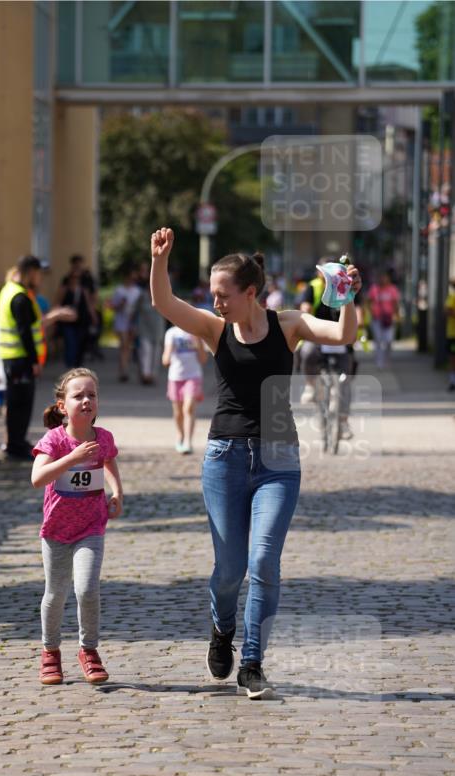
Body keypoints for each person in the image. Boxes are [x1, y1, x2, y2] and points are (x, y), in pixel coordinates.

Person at [150, 227, 361, 698]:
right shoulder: (215, 329)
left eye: (223, 294)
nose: (215, 302)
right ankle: (221, 627)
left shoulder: (289, 325)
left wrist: (346, 295)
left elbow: (344, 334)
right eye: (212, 294)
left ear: (250, 293)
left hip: (278, 460)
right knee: (229, 570)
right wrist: (159, 259)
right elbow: (165, 303)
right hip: (224, 458)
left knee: (263, 561)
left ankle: (252, 662)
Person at [31, 368, 123, 686]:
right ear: (62, 406)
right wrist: (72, 458)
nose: (86, 400)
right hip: (56, 530)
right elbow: (37, 478)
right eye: (78, 395)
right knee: (56, 593)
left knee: (86, 589)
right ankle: (50, 652)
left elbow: (109, 460)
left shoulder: (103, 438)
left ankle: (89, 650)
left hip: (91, 527)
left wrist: (117, 491)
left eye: (91, 395)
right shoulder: (54, 440)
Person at [298, 259, 354, 440]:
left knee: (345, 380)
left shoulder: (346, 287)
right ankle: (310, 386)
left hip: (340, 338)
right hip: (317, 335)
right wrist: (305, 313)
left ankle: (343, 421)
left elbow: (358, 310)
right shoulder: (312, 287)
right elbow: (305, 307)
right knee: (306, 352)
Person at [0, 255, 44, 461]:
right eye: (38, 273)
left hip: (12, 357)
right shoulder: (19, 297)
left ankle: (17, 441)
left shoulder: (8, 290)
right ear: (31, 272)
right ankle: (16, 445)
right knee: (21, 404)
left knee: (17, 402)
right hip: (20, 358)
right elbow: (25, 332)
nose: (40, 278)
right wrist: (34, 361)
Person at [162, 320, 208, 454]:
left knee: (188, 409)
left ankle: (188, 441)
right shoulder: (171, 333)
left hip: (193, 376)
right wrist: (168, 354)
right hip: (175, 377)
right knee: (178, 412)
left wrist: (198, 342)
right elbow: (165, 360)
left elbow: (203, 359)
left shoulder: (197, 333)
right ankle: (180, 435)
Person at [56, 255, 97, 368]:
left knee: (80, 343)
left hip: (82, 319)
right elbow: (59, 299)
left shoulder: (85, 281)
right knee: (70, 343)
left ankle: (77, 365)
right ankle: (70, 366)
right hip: (67, 319)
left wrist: (93, 315)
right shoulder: (66, 282)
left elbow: (90, 300)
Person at [132, 261, 165, 385]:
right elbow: (134, 311)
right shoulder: (142, 296)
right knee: (145, 351)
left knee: (156, 353)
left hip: (157, 328)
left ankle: (153, 375)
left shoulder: (162, 296)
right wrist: (133, 326)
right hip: (144, 327)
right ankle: (145, 374)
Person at [107, 265, 141, 382]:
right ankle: (123, 371)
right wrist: (119, 305)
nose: (132, 280)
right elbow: (112, 306)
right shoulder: (119, 290)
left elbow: (140, 307)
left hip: (133, 321)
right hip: (121, 320)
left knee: (128, 346)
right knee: (124, 345)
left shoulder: (137, 291)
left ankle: (124, 369)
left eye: (134, 278)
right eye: (130, 277)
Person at [367, 270, 401, 370]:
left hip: (389, 319)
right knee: (378, 340)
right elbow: (368, 301)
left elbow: (395, 303)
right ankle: (379, 361)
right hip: (377, 319)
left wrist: (397, 315)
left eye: (385, 277)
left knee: (388, 340)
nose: (383, 279)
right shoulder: (374, 289)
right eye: (381, 277)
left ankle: (386, 359)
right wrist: (371, 311)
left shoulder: (392, 289)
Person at [446, 278, 455, 392]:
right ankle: (452, 381)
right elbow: (448, 311)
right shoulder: (452, 297)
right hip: (453, 334)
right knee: (453, 358)